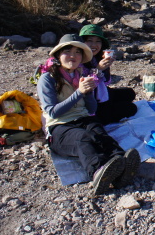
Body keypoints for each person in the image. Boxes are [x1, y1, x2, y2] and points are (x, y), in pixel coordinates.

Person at [37, 34, 140, 195]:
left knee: (101, 135)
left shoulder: (81, 75)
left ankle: (122, 166)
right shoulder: (47, 79)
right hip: (59, 126)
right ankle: (98, 172)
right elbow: (52, 111)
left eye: (78, 52)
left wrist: (88, 93)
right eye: (68, 51)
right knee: (82, 139)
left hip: (84, 118)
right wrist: (79, 92)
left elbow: (91, 109)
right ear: (58, 55)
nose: (73, 56)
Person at [79, 24, 137, 125]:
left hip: (101, 92)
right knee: (131, 108)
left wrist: (106, 66)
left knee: (130, 93)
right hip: (89, 102)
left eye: (98, 41)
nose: (94, 45)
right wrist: (98, 69)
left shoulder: (96, 58)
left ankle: (112, 104)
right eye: (90, 40)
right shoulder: (78, 59)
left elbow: (106, 81)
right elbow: (86, 88)